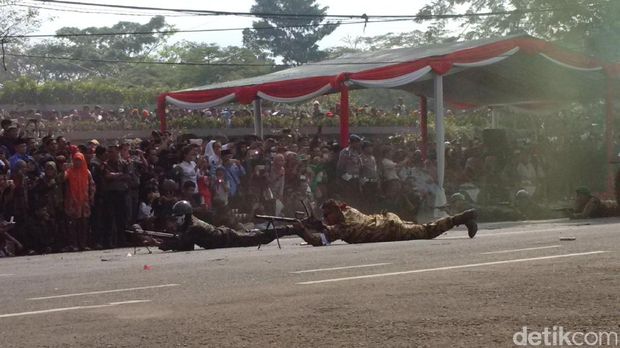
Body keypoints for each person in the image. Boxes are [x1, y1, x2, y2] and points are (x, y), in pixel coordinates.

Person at [292, 199, 478, 247]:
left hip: (391, 231)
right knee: (424, 228)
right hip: (388, 220)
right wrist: (321, 225)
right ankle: (463, 219)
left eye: (327, 215)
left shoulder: (342, 228)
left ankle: (461, 217)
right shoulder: (348, 210)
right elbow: (330, 227)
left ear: (335, 212)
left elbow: (319, 241)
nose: (325, 219)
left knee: (428, 232)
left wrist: (302, 231)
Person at [157, 200, 295, 252]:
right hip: (225, 236)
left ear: (185, 215)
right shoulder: (190, 224)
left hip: (228, 238)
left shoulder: (193, 227)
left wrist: (164, 244)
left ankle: (290, 229)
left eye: (177, 218)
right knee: (257, 235)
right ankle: (288, 229)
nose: (176, 221)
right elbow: (185, 243)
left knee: (260, 237)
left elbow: (184, 245)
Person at [64, 152, 95, 251]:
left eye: (79, 160)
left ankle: (83, 244)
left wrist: (91, 196)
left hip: (84, 203)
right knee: (73, 225)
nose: (77, 162)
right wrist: (63, 170)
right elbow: (61, 179)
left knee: (84, 225)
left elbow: (92, 185)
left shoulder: (87, 172)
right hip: (73, 202)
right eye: (76, 160)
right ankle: (74, 244)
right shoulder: (69, 172)